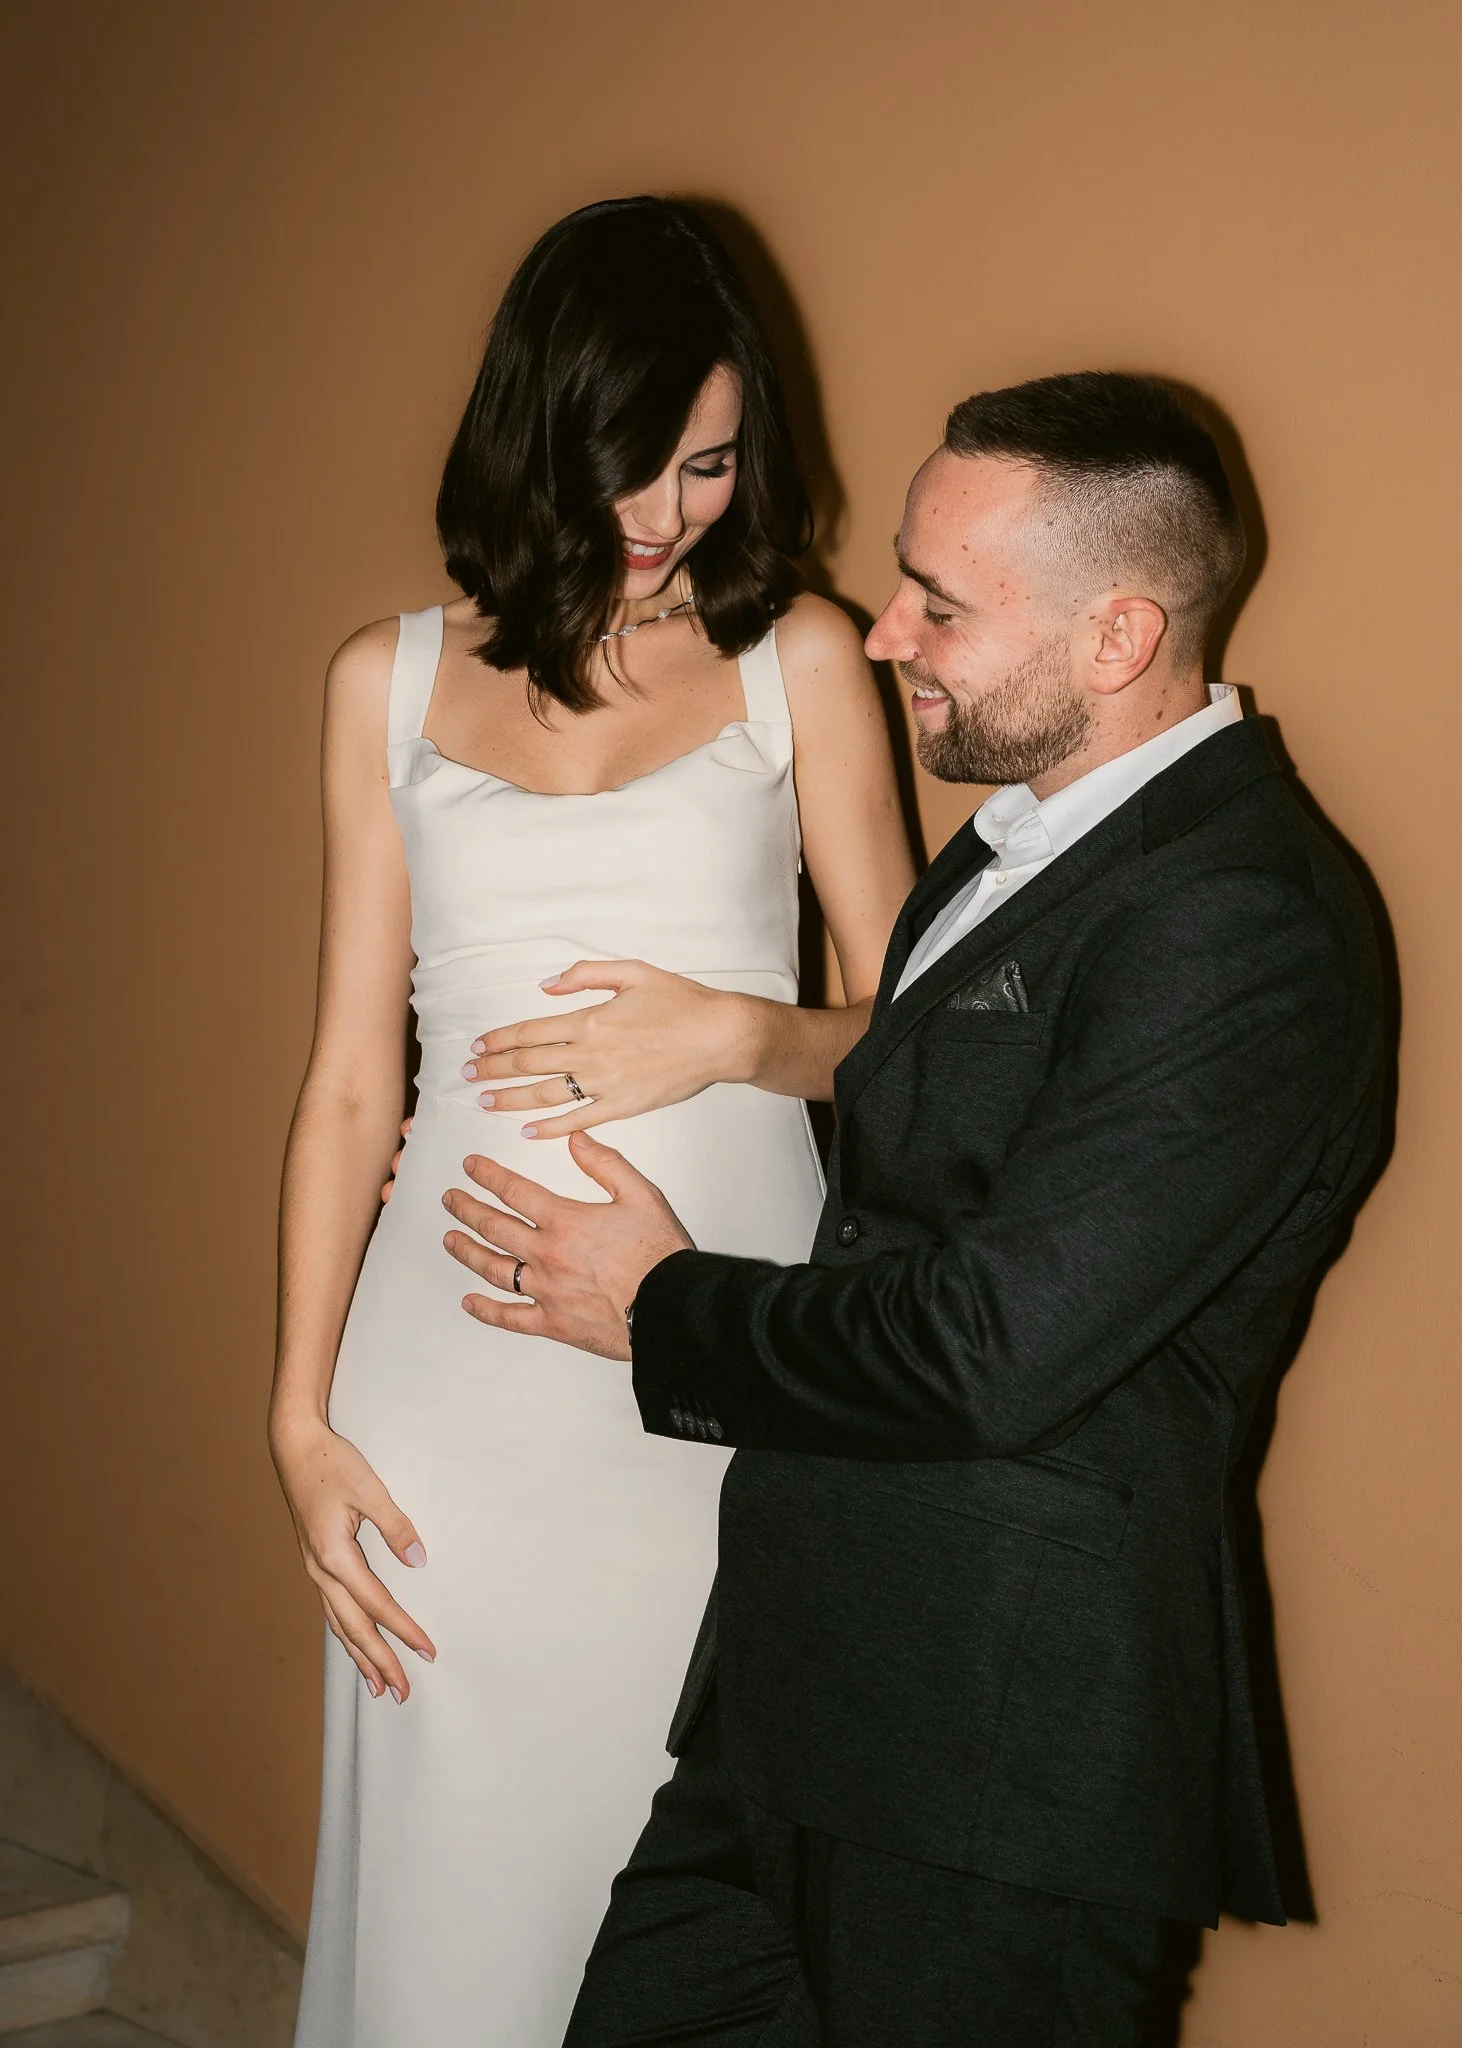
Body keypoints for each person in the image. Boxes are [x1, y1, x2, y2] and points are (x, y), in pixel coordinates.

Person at [441, 371, 1387, 2046]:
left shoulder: (1243, 921)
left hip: (996, 1763)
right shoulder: (1013, 845)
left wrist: (660, 1303)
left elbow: (991, 1343)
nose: (886, 636)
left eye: (941, 605)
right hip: (797, 1709)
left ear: (1115, 639)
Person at [270, 196, 915, 2046]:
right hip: (449, 1393)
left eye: (709, 465)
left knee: (697, 1880)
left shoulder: (802, 655)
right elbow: (342, 1081)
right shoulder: (383, 679)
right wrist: (298, 1414)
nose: (663, 516)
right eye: (628, 465)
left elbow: (904, 1044)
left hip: (721, 1364)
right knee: (463, 1891)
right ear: (537, 432)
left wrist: (731, 1034)